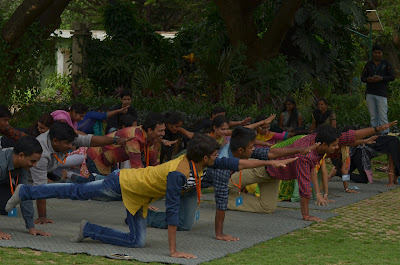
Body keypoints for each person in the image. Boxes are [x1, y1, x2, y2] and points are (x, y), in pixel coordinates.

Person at [6, 134, 296, 258]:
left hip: (139, 197)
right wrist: (173, 251)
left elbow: (238, 163)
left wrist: (270, 163)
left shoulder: (200, 161)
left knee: (137, 241)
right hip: (123, 184)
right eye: (215, 154)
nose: (220, 157)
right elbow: (172, 212)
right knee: (76, 192)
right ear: (206, 156)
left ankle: (89, 229)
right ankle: (27, 190)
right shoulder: (179, 173)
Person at [264, 121, 396, 222]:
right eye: (334, 145)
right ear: (324, 145)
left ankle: (242, 201)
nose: (337, 147)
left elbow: (350, 136)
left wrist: (377, 129)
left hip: (275, 170)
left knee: (267, 208)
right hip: (264, 168)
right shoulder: (307, 155)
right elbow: (305, 184)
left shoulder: (322, 140)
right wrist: (306, 215)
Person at [30, 121, 132, 224]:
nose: (71, 146)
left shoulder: (62, 136)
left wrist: (116, 140)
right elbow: (40, 188)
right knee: (19, 193)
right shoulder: (41, 154)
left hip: (45, 166)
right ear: (55, 141)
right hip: (24, 167)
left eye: (71, 143)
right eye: (67, 144)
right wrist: (42, 217)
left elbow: (90, 140)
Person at [0, 136, 50, 239]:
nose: (35, 165)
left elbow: (24, 195)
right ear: (21, 155)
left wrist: (30, 226)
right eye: (32, 161)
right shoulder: (2, 164)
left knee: (6, 207)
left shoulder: (22, 167)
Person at [86, 112, 165, 177]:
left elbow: (153, 162)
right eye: (160, 131)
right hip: (97, 156)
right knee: (98, 188)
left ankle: (75, 180)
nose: (163, 134)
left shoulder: (148, 138)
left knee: (104, 187)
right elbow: (137, 168)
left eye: (163, 130)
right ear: (150, 130)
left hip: (108, 161)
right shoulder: (135, 138)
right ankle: (75, 182)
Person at [361, 45, 396, 134]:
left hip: (381, 93)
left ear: (382, 54)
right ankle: (374, 134)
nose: (377, 54)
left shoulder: (386, 64)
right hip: (370, 93)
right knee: (373, 116)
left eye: (379, 53)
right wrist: (369, 79)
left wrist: (381, 78)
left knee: (382, 115)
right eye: (375, 52)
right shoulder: (368, 64)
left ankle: (385, 134)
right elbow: (362, 78)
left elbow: (392, 77)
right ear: (372, 53)